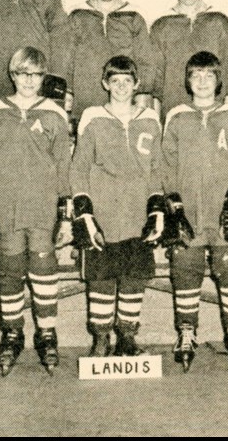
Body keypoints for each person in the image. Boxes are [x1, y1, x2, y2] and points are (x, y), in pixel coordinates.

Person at [0, 47, 71, 375]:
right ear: (12, 74)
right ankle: (12, 333)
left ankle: (47, 334)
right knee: (9, 271)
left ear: (43, 77)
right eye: (22, 74)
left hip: (43, 206)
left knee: (44, 271)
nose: (29, 81)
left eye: (36, 75)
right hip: (7, 207)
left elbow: (64, 167)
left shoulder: (54, 113)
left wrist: (65, 213)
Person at [160, 51, 228, 371]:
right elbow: (166, 164)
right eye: (195, 76)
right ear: (187, 80)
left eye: (208, 76)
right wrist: (173, 203)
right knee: (185, 269)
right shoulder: (177, 116)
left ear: (218, 79)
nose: (201, 82)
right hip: (190, 211)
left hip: (223, 210)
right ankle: (187, 331)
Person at [70, 55, 163, 357]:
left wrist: (156, 211)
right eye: (114, 81)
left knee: (134, 279)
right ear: (104, 84)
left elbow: (157, 169)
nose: (121, 87)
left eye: (127, 81)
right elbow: (79, 168)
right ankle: (100, 338)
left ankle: (127, 337)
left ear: (136, 84)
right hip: (104, 215)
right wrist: (86, 213)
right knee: (102, 280)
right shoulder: (93, 117)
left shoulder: (149, 118)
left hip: (136, 213)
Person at [60, 0, 154, 120]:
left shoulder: (133, 16)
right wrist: (67, 91)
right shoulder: (77, 15)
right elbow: (66, 58)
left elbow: (145, 61)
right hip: (85, 97)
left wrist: (142, 92)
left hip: (123, 98)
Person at [150, 0, 228, 114]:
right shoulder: (161, 26)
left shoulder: (219, 22)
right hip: (174, 109)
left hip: (214, 110)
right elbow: (156, 80)